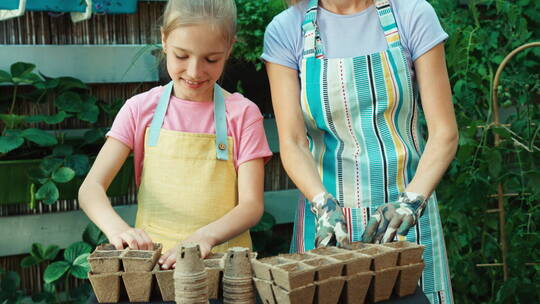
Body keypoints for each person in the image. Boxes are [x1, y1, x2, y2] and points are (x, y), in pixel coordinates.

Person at [262, 0, 457, 302]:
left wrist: (411, 202)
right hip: (326, 228)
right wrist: (322, 205)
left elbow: (443, 134)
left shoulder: (413, 15)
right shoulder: (286, 29)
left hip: (407, 224)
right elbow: (293, 142)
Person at [79, 0, 272, 269]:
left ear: (229, 49)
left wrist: (206, 236)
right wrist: (118, 230)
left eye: (211, 59)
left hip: (223, 270)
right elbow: (90, 189)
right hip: (153, 271)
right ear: (164, 41)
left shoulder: (243, 115)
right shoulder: (139, 109)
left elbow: (251, 206)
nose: (194, 71)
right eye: (182, 56)